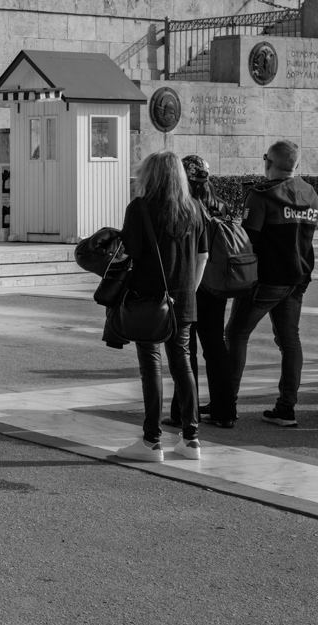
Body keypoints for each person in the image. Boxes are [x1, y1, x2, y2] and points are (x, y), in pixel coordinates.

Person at [115, 151, 209, 462]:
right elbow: (203, 256)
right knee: (183, 365)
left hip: (149, 299)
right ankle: (191, 439)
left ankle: (151, 441)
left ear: (150, 175)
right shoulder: (194, 208)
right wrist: (188, 291)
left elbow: (128, 254)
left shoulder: (140, 208)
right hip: (183, 299)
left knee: (150, 364)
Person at [225, 139, 318, 427]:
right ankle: (286, 408)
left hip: (266, 279)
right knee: (290, 341)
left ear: (270, 163)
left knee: (237, 334)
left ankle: (225, 402)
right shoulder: (310, 193)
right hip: (298, 278)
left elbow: (246, 240)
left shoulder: (261, 195)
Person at [164, 155, 238, 429]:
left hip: (191, 282)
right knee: (215, 345)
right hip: (217, 284)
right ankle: (224, 410)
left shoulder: (184, 207)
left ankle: (183, 411)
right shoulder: (220, 205)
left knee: (185, 349)